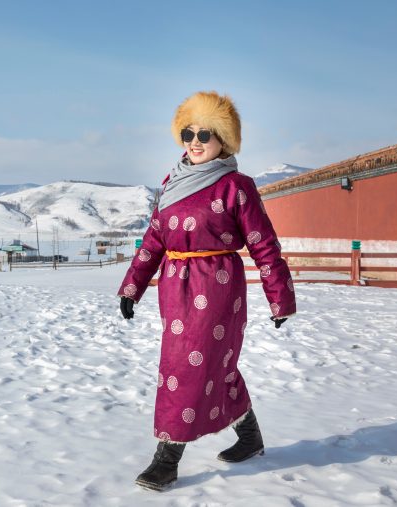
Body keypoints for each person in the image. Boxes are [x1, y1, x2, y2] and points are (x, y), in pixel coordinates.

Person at [117, 91, 296, 492]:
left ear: (223, 139)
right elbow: (154, 238)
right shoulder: (171, 183)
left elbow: (263, 244)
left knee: (185, 367)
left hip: (216, 288)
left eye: (205, 134)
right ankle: (250, 437)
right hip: (174, 289)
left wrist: (280, 297)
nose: (195, 142)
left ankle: (167, 458)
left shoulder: (236, 186)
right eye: (188, 133)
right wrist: (132, 286)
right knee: (218, 366)